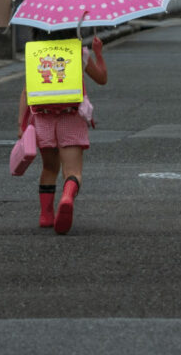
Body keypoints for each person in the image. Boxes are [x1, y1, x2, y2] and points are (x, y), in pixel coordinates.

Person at [17, 30, 107, 234]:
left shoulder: (36, 53)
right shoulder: (79, 52)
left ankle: (46, 215)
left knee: (49, 168)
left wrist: (20, 126)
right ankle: (67, 196)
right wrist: (98, 53)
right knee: (73, 171)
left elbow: (27, 90)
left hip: (43, 117)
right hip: (71, 116)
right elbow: (102, 78)